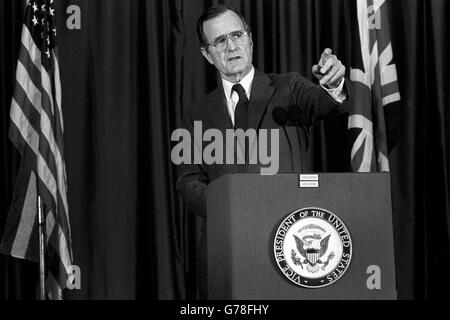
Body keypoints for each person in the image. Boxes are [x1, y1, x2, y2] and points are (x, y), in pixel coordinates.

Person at [176, 5, 349, 299]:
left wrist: (332, 83)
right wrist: (232, 207)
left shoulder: (288, 88)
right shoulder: (196, 114)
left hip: (287, 246)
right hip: (225, 252)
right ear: (207, 54)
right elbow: (188, 181)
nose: (231, 46)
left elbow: (323, 103)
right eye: (219, 41)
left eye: (237, 35)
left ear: (250, 40)